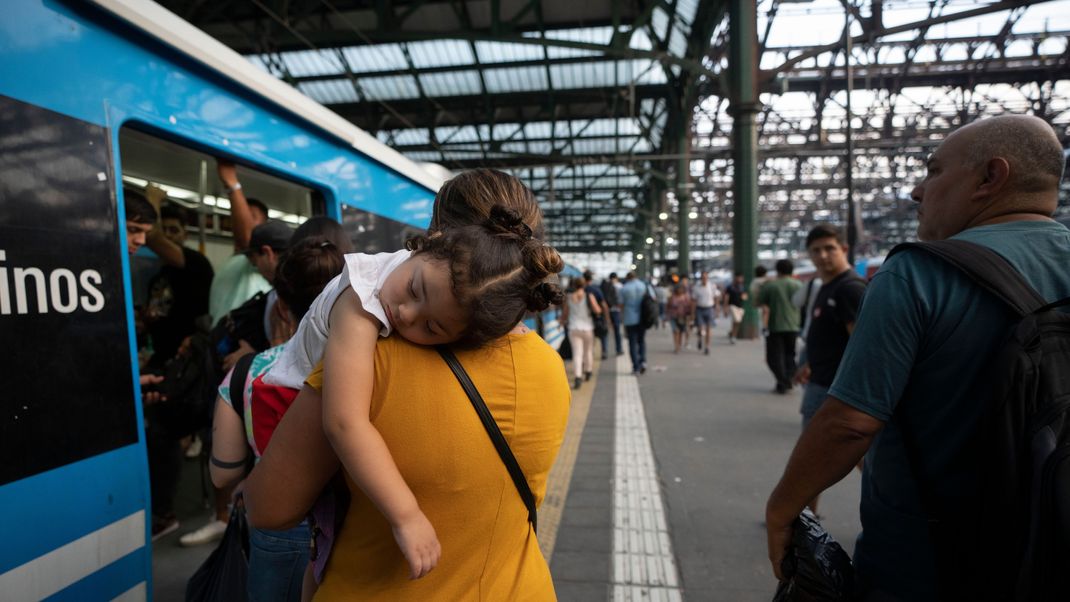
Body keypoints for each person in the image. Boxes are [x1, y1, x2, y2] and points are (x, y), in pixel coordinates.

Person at [766, 115, 1070, 601]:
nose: (915, 190)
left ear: (991, 177)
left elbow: (849, 424)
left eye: (932, 170)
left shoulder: (915, 274)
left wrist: (782, 510)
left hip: (926, 565)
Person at [243, 172, 570, 600]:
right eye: (414, 291)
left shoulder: (375, 361)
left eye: (434, 325)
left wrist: (407, 515)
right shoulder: (550, 367)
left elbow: (268, 509)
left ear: (438, 233)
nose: (404, 314)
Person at [209, 233, 347, 602]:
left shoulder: (247, 373)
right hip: (356, 526)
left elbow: (223, 474)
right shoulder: (373, 368)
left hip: (278, 529)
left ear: (282, 307)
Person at [790, 225, 866, 517]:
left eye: (829, 248)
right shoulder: (828, 287)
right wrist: (810, 364)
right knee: (843, 455)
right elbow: (832, 338)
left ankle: (800, 517)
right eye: (816, 250)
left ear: (844, 249)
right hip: (823, 383)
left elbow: (860, 345)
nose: (822, 256)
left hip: (834, 391)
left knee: (810, 456)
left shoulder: (849, 289)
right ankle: (805, 513)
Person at [143, 203, 215, 368]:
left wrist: (153, 199)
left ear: (185, 235)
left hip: (189, 357)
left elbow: (154, 238)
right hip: (161, 355)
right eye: (164, 230)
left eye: (174, 230)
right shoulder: (157, 278)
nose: (167, 235)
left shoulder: (196, 262)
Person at [208, 161, 271, 325]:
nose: (242, 220)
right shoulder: (231, 262)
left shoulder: (259, 259)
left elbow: (248, 239)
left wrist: (232, 184)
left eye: (251, 217)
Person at [757, 260, 801, 394]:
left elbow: (759, 302)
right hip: (794, 326)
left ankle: (783, 381)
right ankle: (787, 379)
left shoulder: (771, 286)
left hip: (776, 326)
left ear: (778, 271)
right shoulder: (799, 285)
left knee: (775, 357)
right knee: (790, 355)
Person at [561, 276, 600, 389]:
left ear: (574, 285)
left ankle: (578, 377)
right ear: (584, 285)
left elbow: (565, 314)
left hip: (574, 328)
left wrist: (562, 321)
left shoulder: (569, 297)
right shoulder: (589, 296)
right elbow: (597, 310)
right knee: (588, 351)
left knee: (577, 353)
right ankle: (588, 372)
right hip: (587, 328)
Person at [620, 271, 654, 375]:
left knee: (632, 343)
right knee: (641, 341)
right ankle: (643, 361)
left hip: (630, 319)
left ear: (627, 278)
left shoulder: (624, 288)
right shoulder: (643, 285)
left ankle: (635, 367)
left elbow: (621, 305)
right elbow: (653, 298)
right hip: (643, 318)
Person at [583, 270, 612, 360]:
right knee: (603, 334)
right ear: (591, 279)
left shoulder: (581, 290)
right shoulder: (596, 290)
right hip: (598, 316)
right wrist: (607, 318)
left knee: (590, 337)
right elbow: (604, 305)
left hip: (586, 317)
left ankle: (590, 352)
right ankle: (604, 351)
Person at [692, 271, 719, 356]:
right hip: (699, 308)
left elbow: (716, 296)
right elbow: (694, 300)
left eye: (705, 277)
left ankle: (707, 346)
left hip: (709, 308)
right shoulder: (696, 287)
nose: (704, 279)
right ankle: (700, 338)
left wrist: (716, 307)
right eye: (703, 277)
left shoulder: (712, 286)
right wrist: (692, 313)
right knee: (700, 327)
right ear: (701, 278)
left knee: (708, 328)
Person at [601, 272, 624, 356]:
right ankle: (619, 349)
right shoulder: (620, 286)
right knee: (617, 331)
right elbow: (622, 300)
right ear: (617, 277)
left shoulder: (605, 285)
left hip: (606, 310)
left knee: (605, 331)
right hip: (616, 311)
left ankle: (604, 351)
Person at [722, 272, 747, 344]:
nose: (740, 279)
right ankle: (733, 335)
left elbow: (745, 296)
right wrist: (725, 308)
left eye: (741, 278)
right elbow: (726, 297)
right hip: (732, 305)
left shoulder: (742, 287)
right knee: (737, 320)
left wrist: (744, 297)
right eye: (739, 277)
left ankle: (733, 334)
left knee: (737, 322)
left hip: (740, 307)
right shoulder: (730, 287)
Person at [666, 284, 692, 354]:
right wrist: (666, 316)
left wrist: (690, 316)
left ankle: (679, 345)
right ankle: (676, 346)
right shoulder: (672, 297)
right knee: (675, 331)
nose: (680, 290)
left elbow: (689, 307)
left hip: (682, 317)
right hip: (673, 317)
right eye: (678, 289)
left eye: (681, 289)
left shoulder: (686, 297)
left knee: (681, 332)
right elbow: (668, 306)